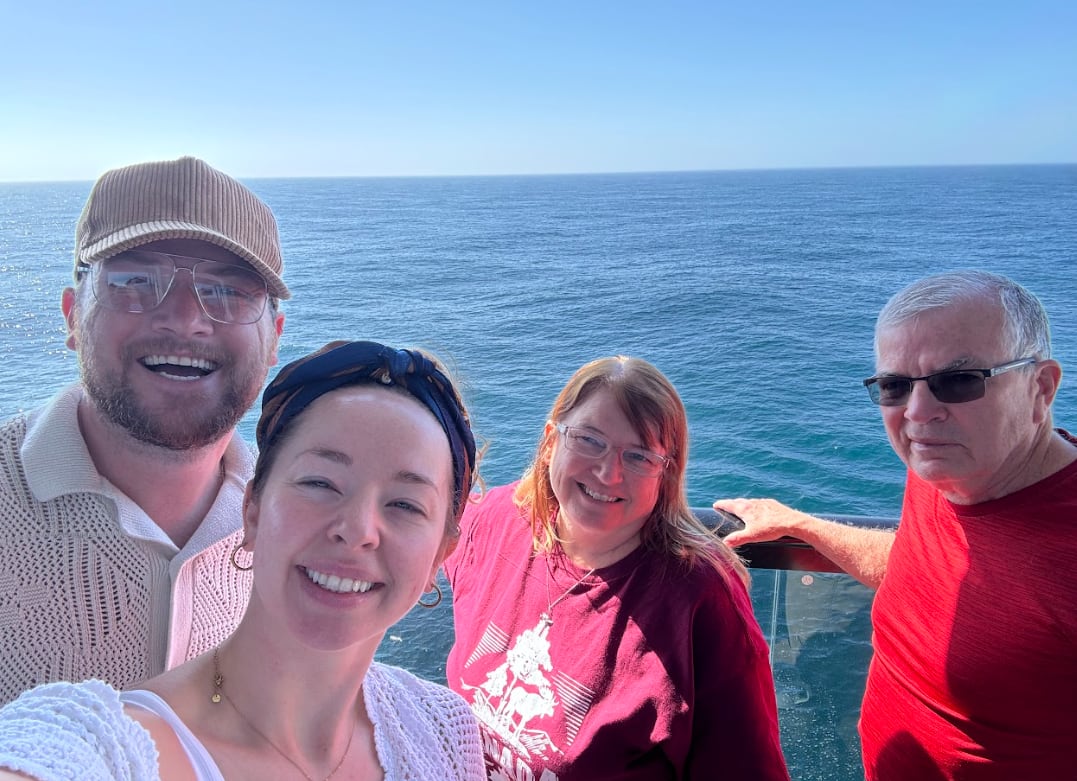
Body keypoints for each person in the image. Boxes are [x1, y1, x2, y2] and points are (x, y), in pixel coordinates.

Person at [0, 340, 486, 780]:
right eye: (319, 483)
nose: (357, 530)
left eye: (404, 504)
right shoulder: (108, 749)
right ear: (251, 510)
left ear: (441, 555)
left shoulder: (444, 733)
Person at [713, 270, 1077, 780]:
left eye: (959, 381)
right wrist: (802, 526)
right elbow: (920, 568)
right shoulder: (946, 469)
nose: (919, 411)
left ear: (1040, 388)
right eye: (895, 386)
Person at [0, 156, 289, 705]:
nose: (184, 318)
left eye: (228, 291)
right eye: (134, 281)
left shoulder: (298, 525)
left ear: (274, 339)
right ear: (71, 318)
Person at [445, 356, 790, 780]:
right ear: (552, 440)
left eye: (639, 457)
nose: (608, 473)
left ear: (666, 475)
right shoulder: (496, 521)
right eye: (589, 440)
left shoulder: (699, 599)